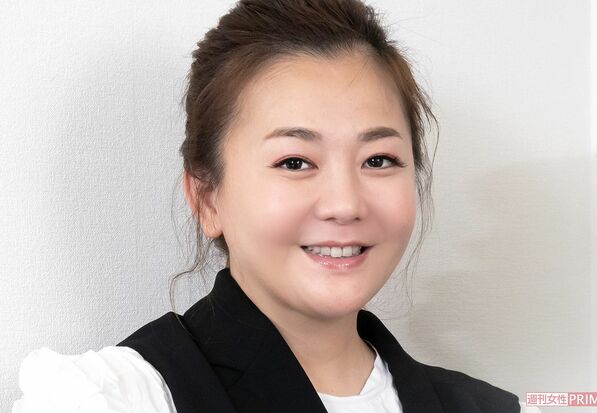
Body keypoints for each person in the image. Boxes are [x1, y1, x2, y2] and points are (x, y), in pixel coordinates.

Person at [12, 1, 540, 412]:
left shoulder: (489, 407)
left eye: (378, 160)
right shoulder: (116, 397)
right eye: (295, 162)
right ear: (207, 197)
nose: (345, 204)